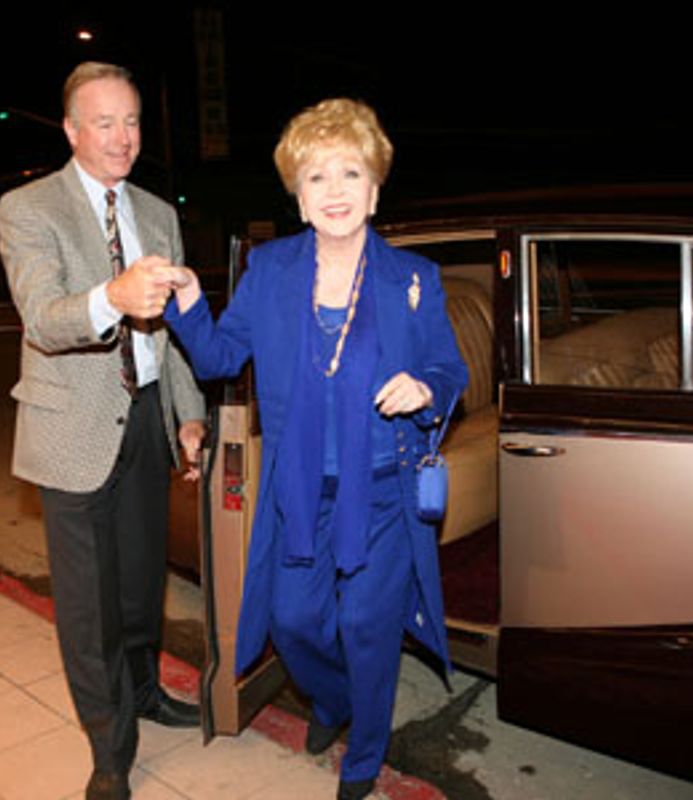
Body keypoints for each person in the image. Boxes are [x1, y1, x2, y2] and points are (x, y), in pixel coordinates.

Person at [163, 98, 468, 800]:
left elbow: (451, 371)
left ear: (375, 189)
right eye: (317, 177)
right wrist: (186, 301)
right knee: (292, 622)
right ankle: (334, 700)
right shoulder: (269, 270)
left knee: (367, 624)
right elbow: (216, 356)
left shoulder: (413, 279)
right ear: (298, 198)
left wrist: (424, 389)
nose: (335, 190)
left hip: (384, 488)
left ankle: (363, 752)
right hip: (298, 491)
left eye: (351, 172)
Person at [0, 63, 206, 800]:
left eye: (133, 122)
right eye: (106, 123)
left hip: (146, 416)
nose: (123, 138)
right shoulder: (28, 208)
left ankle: (145, 693)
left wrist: (187, 415)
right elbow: (44, 318)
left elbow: (171, 334)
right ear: (72, 130)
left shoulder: (157, 210)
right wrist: (112, 296)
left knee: (142, 583)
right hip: (72, 425)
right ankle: (109, 745)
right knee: (89, 606)